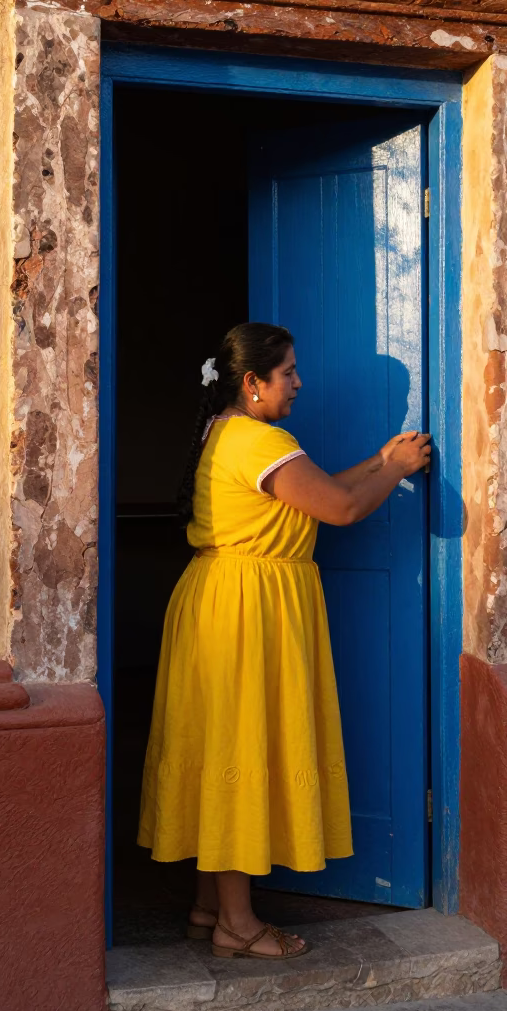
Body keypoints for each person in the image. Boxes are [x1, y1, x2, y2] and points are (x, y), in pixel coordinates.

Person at [138, 322, 431, 960]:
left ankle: (209, 904)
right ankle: (237, 927)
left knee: (221, 744)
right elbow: (343, 509)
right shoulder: (260, 441)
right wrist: (400, 467)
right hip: (247, 608)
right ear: (253, 384)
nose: (299, 383)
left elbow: (323, 487)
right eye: (289, 372)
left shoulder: (230, 434)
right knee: (240, 747)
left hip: (225, 597)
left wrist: (386, 461)